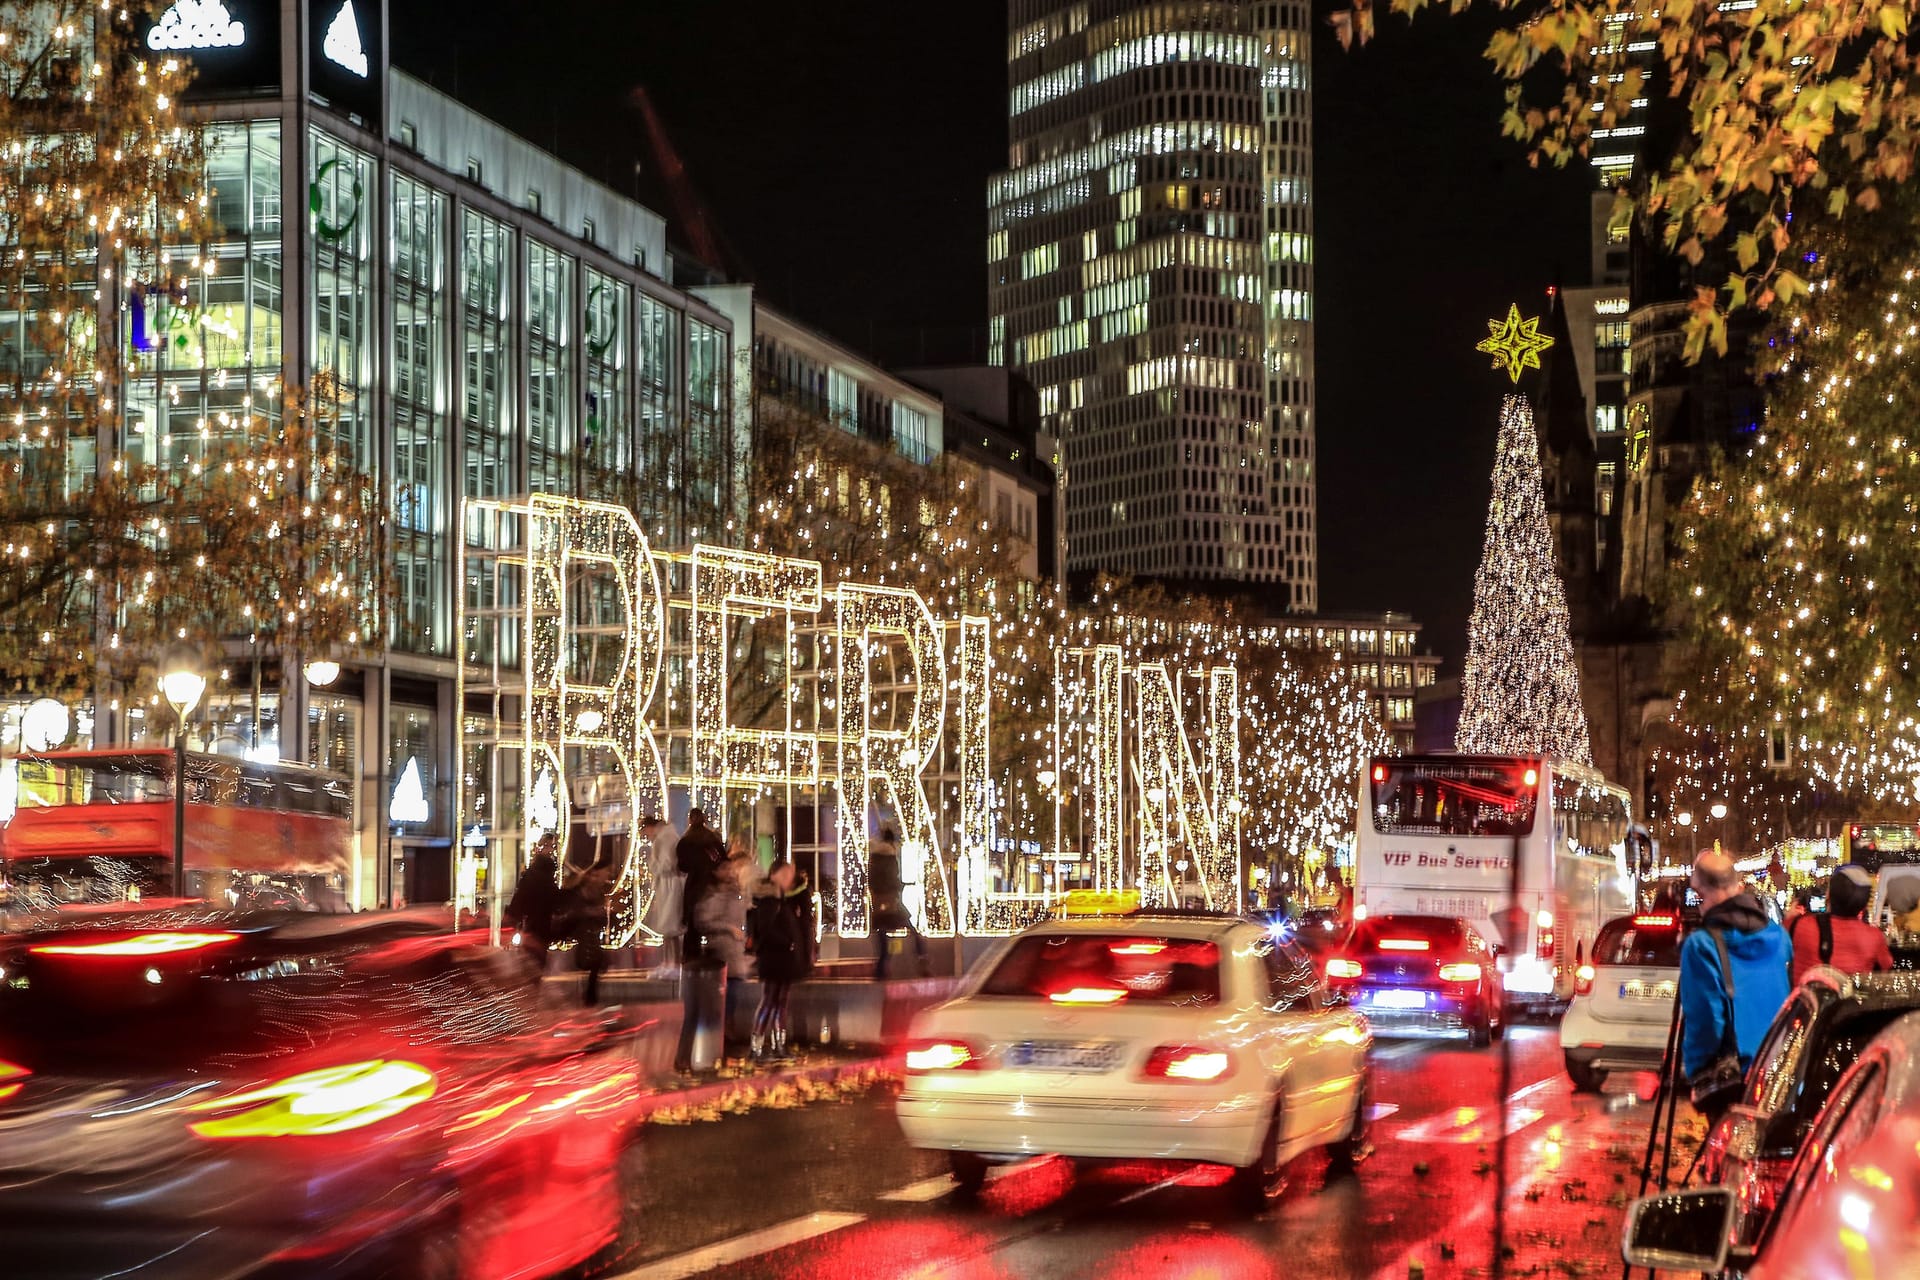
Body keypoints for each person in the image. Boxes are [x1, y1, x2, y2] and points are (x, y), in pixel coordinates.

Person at [1679, 851, 1792, 1116]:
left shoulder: (1701, 946)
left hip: (1733, 1078)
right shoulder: (1779, 937)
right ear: (1737, 885)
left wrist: (1694, 1069)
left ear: (1701, 889)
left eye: (1699, 897)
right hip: (1777, 1070)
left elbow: (1706, 1021)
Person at [749, 859, 813, 1060]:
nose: (788, 880)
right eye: (784, 875)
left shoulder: (779, 899)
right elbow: (766, 930)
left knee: (780, 1002)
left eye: (789, 876)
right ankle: (757, 1047)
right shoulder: (769, 899)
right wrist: (787, 942)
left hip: (783, 958)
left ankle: (778, 1046)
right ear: (774, 875)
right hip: (774, 958)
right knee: (770, 1000)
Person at [1788, 864, 1894, 984]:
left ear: (1829, 895)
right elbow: (1886, 970)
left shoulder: (1800, 925)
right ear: (1864, 904)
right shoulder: (1874, 937)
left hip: (1807, 1001)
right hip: (1853, 1001)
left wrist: (1789, 918)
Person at [869, 824, 927, 980]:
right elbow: (890, 879)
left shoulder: (874, 858)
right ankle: (922, 958)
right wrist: (902, 885)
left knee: (882, 935)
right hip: (891, 903)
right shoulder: (888, 857)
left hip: (878, 903)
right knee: (913, 931)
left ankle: (881, 970)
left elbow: (873, 881)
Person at [502, 835, 562, 971]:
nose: (550, 851)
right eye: (547, 846)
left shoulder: (539, 874)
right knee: (535, 963)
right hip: (536, 927)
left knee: (532, 964)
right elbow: (522, 899)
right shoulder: (539, 875)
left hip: (534, 926)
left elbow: (520, 900)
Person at [560, 860, 614, 1006]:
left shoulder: (597, 889)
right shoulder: (584, 889)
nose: (607, 875)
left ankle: (590, 997)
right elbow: (577, 910)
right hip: (582, 930)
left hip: (589, 931)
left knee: (596, 960)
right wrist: (593, 912)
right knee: (593, 959)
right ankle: (589, 998)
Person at [640, 813, 685, 974]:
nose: (647, 836)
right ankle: (669, 962)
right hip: (667, 885)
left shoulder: (665, 838)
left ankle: (672, 963)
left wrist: (653, 865)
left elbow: (666, 864)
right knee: (668, 927)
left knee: (670, 926)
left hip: (669, 886)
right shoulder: (666, 836)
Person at [675, 808, 726, 944]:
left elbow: (682, 866)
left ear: (690, 820)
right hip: (712, 885)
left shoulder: (685, 841)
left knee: (693, 927)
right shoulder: (711, 839)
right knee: (714, 925)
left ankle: (691, 959)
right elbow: (722, 861)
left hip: (694, 885)